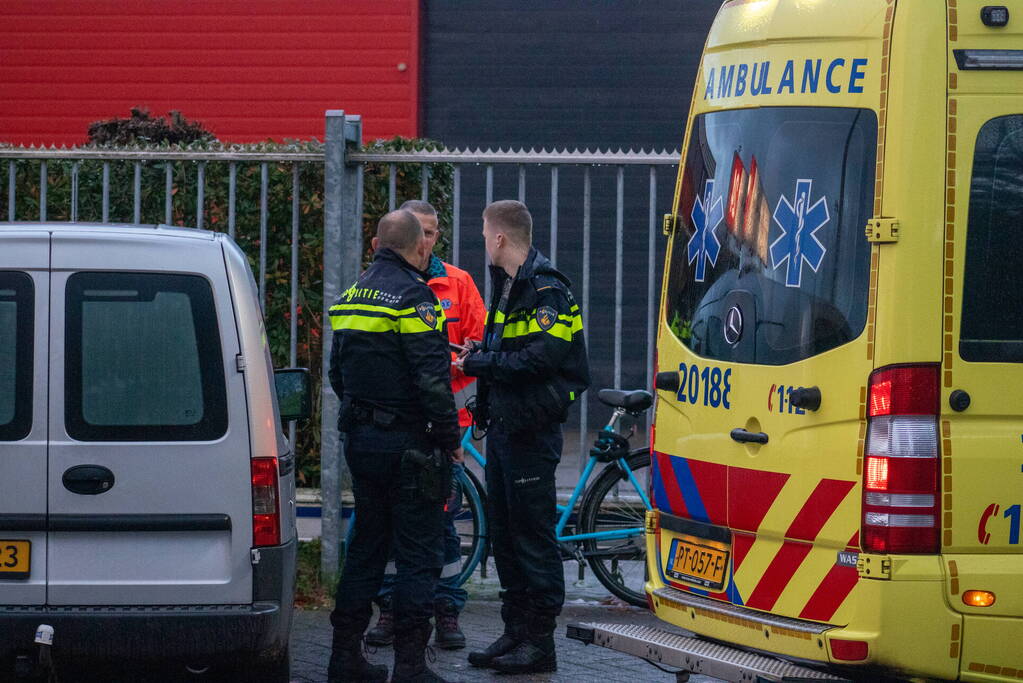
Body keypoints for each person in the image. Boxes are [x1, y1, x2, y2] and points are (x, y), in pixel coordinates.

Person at [326, 210, 462, 683]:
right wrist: (451, 439)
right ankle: (409, 666)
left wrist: (368, 414)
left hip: (362, 444)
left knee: (365, 549)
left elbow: (336, 375)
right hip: (411, 448)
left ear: (375, 244)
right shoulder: (414, 297)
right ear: (419, 247)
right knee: (417, 557)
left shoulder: (349, 297)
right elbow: (433, 381)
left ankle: (344, 658)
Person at [456, 200, 590, 674]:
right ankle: (515, 633)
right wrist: (483, 349)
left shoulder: (546, 289)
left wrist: (479, 363)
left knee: (532, 541)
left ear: (499, 239)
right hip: (507, 429)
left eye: (483, 234)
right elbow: (514, 349)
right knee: (507, 538)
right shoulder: (511, 287)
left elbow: (542, 359)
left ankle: (540, 643)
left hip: (532, 432)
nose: (482, 242)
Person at [366, 200, 486, 651]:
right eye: (420, 232)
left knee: (443, 524)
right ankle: (390, 612)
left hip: (444, 427)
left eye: (433, 233)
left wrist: (456, 357)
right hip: (398, 426)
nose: (426, 240)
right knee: (389, 524)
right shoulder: (381, 283)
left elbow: (480, 348)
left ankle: (447, 611)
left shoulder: (458, 283)